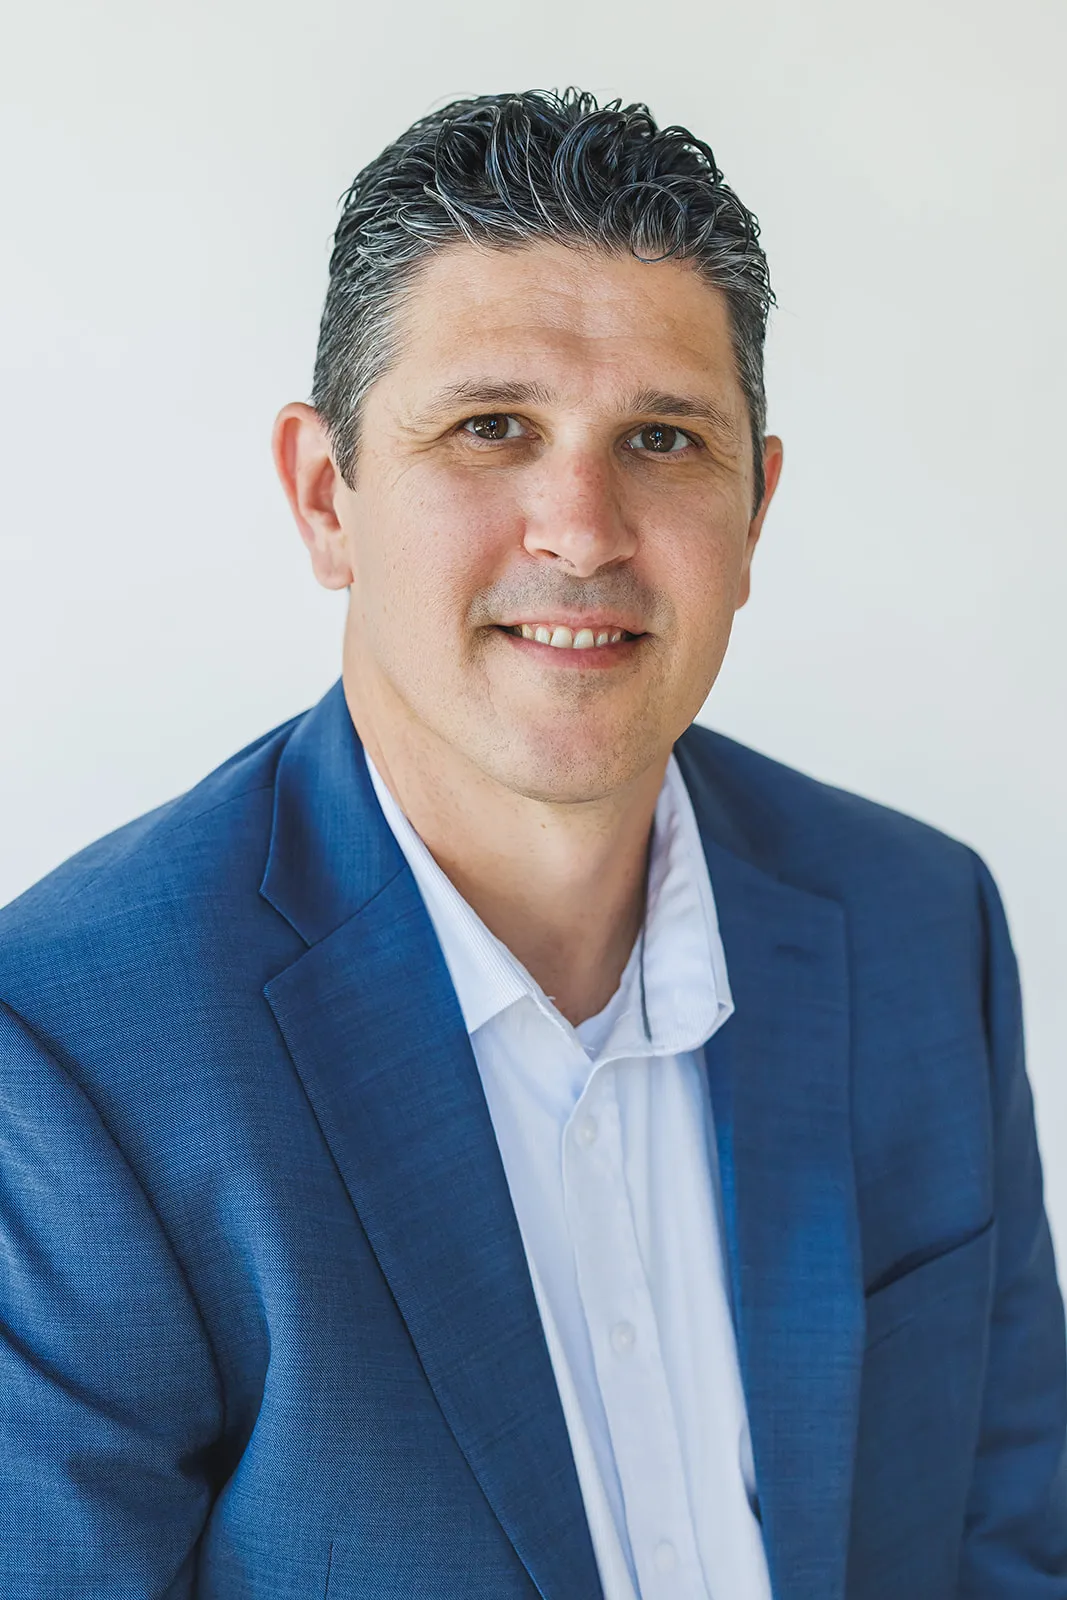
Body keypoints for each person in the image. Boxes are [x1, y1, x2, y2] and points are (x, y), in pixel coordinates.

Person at [0, 86, 1063, 1600]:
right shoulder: (68, 1055)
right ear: (326, 497)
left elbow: (1010, 1545)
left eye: (662, 438)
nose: (581, 526)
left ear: (753, 513)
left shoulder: (918, 926)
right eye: (490, 427)